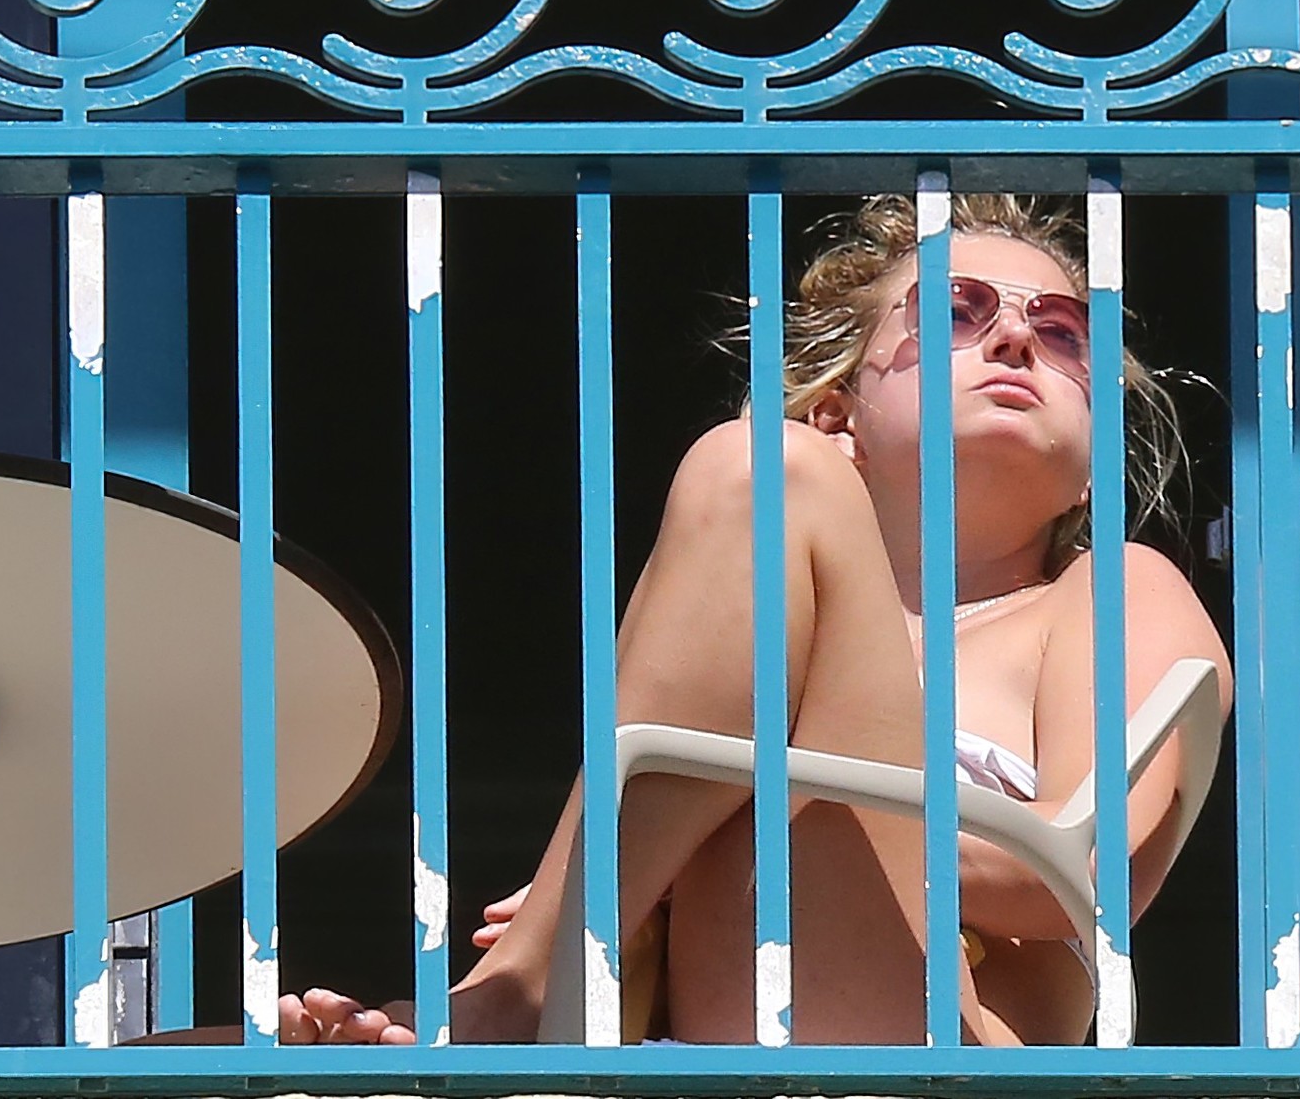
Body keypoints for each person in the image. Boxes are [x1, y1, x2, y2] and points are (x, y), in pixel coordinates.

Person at [273, 192, 1231, 1046]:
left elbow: (1081, 870)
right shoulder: (770, 515)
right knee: (755, 470)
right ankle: (495, 998)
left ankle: (513, 990)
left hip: (935, 1044)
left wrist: (665, 861)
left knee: (764, 482)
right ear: (837, 414)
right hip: (723, 1021)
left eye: (1065, 333)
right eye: (954, 311)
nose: (1016, 339)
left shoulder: (1107, 590)